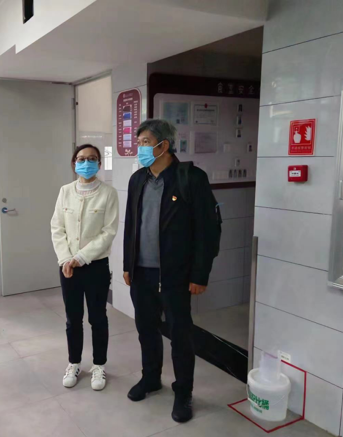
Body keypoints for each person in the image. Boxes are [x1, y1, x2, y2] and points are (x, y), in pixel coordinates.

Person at [123, 120, 221, 423]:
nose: (140, 148)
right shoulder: (137, 179)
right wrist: (127, 264)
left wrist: (200, 274)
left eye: (145, 142)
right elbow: (131, 225)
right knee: (146, 329)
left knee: (180, 334)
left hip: (175, 274)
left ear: (163, 145)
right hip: (142, 272)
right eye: (139, 142)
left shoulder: (190, 178)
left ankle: (183, 391)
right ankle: (151, 378)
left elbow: (208, 231)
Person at [51, 144, 119, 391]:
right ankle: (74, 362)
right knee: (73, 318)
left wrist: (80, 257)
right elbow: (57, 228)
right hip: (68, 267)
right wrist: (65, 259)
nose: (86, 163)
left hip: (96, 266)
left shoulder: (108, 193)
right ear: (74, 163)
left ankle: (99, 365)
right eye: (81, 159)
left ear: (99, 164)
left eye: (92, 159)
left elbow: (108, 232)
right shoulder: (65, 191)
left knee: (98, 317)